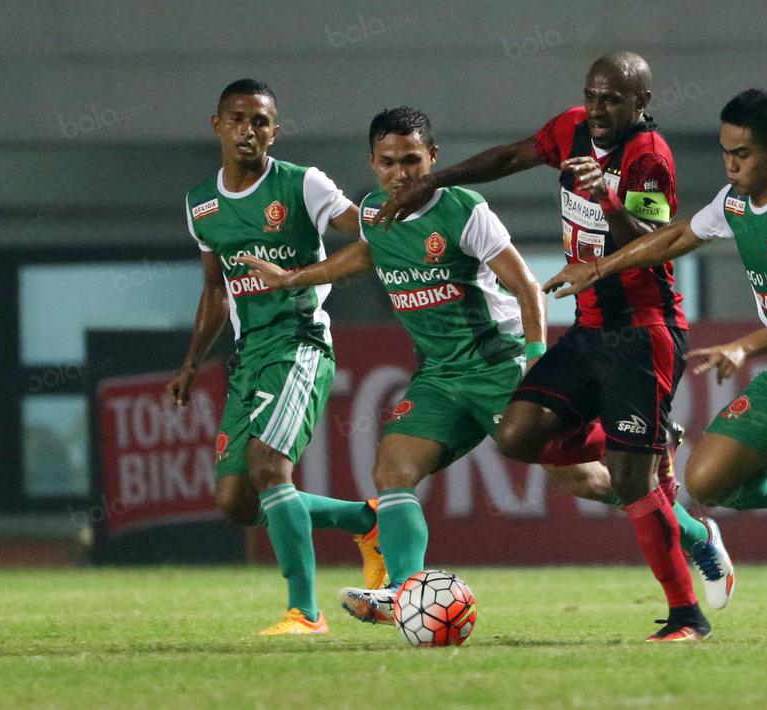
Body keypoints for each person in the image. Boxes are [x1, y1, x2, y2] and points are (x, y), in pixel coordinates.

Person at [241, 106, 702, 627]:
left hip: (496, 365)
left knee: (592, 482)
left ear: (433, 157)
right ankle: (405, 592)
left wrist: (534, 361)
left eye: (412, 160)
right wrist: (293, 278)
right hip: (439, 376)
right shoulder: (372, 212)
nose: (401, 173)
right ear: (372, 162)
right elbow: (368, 255)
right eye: (388, 162)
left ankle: (693, 529)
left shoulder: (463, 209)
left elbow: (527, 287)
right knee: (392, 470)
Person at [373, 52, 729, 641]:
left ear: (641, 103)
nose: (597, 108)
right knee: (517, 436)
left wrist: (607, 200)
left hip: (644, 331)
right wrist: (436, 179)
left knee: (630, 481)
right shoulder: (570, 129)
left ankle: (687, 615)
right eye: (592, 95)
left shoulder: (648, 157)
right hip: (588, 326)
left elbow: (659, 242)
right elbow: (511, 157)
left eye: (612, 99)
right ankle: (649, 443)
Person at [544, 88, 767, 641]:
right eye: (726, 152)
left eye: (743, 154)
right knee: (708, 482)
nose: (731, 165)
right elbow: (678, 235)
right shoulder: (734, 202)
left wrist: (742, 348)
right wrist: (600, 267)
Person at [167, 79, 384, 635]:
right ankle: (364, 521)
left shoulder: (302, 184)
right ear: (217, 125)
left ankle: (304, 612)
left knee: (268, 465)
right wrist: (191, 362)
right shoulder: (201, 204)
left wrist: (406, 220)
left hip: (299, 342)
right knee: (236, 500)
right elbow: (215, 290)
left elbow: (365, 230)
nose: (248, 130)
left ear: (274, 131)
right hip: (249, 354)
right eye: (238, 119)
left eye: (260, 121)